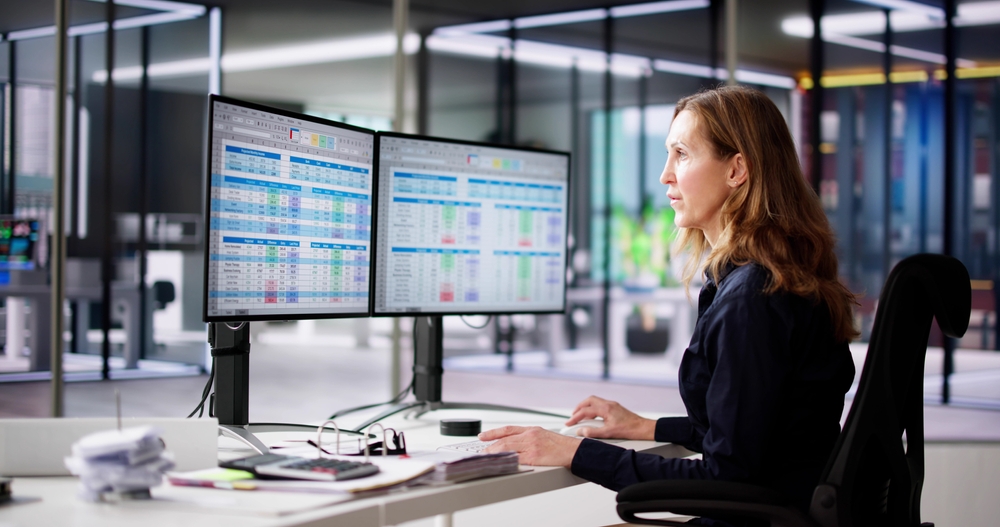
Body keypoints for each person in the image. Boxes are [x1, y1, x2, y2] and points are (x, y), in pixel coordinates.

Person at [480, 85, 858, 521]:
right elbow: (750, 434)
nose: (665, 175)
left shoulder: (751, 301)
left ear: (737, 169)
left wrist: (576, 451)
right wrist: (644, 426)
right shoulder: (771, 279)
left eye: (682, 154)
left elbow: (727, 475)